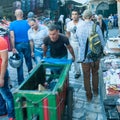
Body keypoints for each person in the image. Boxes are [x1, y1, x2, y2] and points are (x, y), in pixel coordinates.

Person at [76, 9, 105, 102]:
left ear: (83, 17)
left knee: (86, 76)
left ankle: (89, 96)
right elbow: (102, 41)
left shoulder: (79, 27)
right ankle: (96, 91)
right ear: (92, 17)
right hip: (95, 56)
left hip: (84, 57)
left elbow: (78, 41)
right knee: (95, 74)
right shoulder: (95, 27)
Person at [9, 9, 33, 85]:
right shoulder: (27, 23)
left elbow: (12, 36)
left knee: (19, 63)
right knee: (29, 62)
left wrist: (13, 47)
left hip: (17, 44)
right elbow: (31, 34)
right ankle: (31, 78)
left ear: (15, 15)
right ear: (22, 15)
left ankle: (20, 82)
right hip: (27, 44)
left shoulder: (12, 24)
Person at [0, 36, 15, 120]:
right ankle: (2, 111)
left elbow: (5, 60)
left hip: (1, 73)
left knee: (6, 95)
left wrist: (1, 77)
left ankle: (11, 115)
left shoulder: (1, 41)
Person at [66, 9, 83, 79]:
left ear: (78, 15)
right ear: (71, 16)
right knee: (75, 57)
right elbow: (68, 33)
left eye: (76, 14)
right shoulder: (69, 24)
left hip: (82, 43)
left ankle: (85, 71)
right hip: (73, 43)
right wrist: (67, 43)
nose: (74, 16)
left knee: (82, 57)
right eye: (73, 14)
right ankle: (77, 72)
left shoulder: (82, 23)